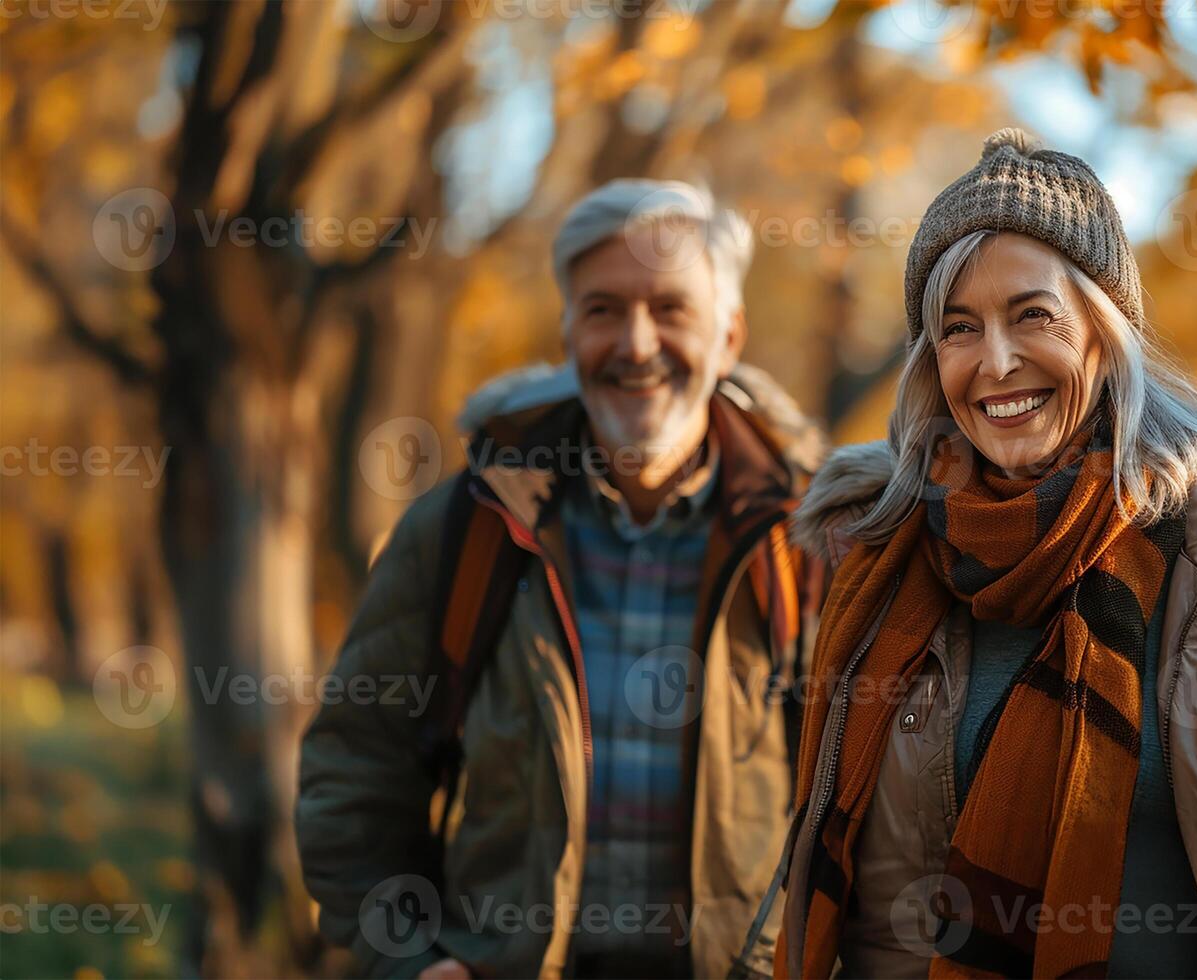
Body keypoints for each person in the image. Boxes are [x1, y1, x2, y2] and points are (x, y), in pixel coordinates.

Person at [773, 129, 1197, 978]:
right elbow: (858, 903)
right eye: (959, 328)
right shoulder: (879, 561)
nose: (997, 361)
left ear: (1104, 329)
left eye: (1033, 316)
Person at [297, 180, 826, 979]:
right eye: (604, 309)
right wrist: (408, 956)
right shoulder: (468, 527)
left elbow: (878, 815)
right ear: (569, 329)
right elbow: (356, 767)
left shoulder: (811, 543)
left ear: (728, 336)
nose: (636, 344)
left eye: (671, 308)